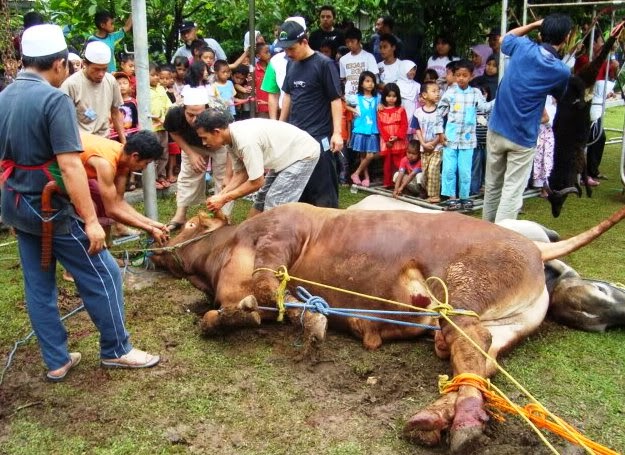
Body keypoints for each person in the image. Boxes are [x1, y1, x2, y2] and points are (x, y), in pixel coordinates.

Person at [0, 24, 159, 380]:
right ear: (59, 64)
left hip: (14, 201)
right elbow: (70, 165)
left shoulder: (5, 96)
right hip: (47, 207)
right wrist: (90, 221)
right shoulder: (53, 99)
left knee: (39, 285)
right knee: (106, 272)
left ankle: (56, 360)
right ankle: (117, 349)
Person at [482, 15, 572, 223]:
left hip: (497, 128)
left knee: (493, 184)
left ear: (540, 33)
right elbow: (560, 95)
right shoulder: (561, 71)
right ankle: (501, 242)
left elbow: (505, 39)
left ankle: (484, 234)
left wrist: (532, 24)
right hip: (523, 137)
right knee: (512, 191)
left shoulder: (522, 47)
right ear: (566, 38)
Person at [195, 110, 320, 214]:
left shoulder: (245, 141)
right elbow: (241, 173)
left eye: (204, 138)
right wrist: (221, 195)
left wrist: (224, 198)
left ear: (217, 132)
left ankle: (275, 242)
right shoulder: (229, 140)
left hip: (303, 154)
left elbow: (257, 182)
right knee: (261, 199)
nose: (204, 143)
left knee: (275, 203)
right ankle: (248, 239)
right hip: (284, 157)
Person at [277, 16, 343, 208]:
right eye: (285, 49)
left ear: (304, 42)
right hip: (296, 136)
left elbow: (335, 99)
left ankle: (330, 232)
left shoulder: (324, 64)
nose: (288, 53)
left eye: (291, 48)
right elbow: (288, 95)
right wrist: (280, 126)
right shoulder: (291, 64)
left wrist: (337, 133)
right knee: (299, 190)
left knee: (323, 193)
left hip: (319, 137)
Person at [79, 132, 170, 243]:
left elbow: (119, 202)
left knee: (103, 198)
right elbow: (112, 210)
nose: (145, 168)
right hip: (59, 167)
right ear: (135, 156)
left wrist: (153, 224)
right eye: (146, 163)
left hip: (82, 171)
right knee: (95, 205)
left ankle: (106, 249)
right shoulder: (106, 164)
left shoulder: (124, 160)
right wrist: (149, 229)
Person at [163, 87, 232, 230]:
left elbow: (231, 140)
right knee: (188, 176)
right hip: (192, 145)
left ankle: (223, 218)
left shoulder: (219, 112)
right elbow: (173, 132)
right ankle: (180, 216)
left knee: (223, 179)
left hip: (220, 146)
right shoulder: (174, 113)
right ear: (184, 109)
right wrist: (190, 153)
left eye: (199, 115)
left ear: (207, 109)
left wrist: (228, 173)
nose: (194, 120)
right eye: (190, 115)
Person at [436, 60, 492, 210]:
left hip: (468, 140)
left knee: (465, 170)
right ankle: (451, 197)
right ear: (454, 76)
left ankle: (464, 197)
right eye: (458, 75)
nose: (461, 78)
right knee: (449, 169)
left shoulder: (475, 93)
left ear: (471, 76)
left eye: (464, 75)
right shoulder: (450, 93)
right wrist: (440, 132)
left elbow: (484, 107)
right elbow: (439, 114)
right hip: (450, 139)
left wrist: (498, 101)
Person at [61, 41, 126, 143]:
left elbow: (115, 113)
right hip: (82, 144)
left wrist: (124, 142)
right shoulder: (71, 85)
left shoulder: (111, 81)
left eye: (104, 69)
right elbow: (63, 122)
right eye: (96, 69)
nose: (101, 74)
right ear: (85, 64)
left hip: (105, 141)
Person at [346, 71, 379, 187]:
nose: (371, 84)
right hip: (360, 129)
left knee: (370, 155)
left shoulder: (377, 98)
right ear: (361, 83)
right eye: (367, 81)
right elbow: (343, 103)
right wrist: (354, 110)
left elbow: (381, 108)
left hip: (372, 129)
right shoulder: (356, 98)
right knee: (363, 156)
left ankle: (356, 173)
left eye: (373, 81)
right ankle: (366, 177)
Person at [412, 81, 442, 203]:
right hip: (424, 147)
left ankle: (435, 195)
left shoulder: (440, 111)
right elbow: (417, 128)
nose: (437, 94)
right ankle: (426, 191)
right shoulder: (418, 112)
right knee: (425, 172)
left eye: (438, 91)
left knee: (434, 169)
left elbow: (442, 130)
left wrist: (434, 143)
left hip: (437, 146)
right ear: (424, 95)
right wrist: (423, 143)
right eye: (434, 91)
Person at [377, 82, 408, 188]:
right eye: (389, 96)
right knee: (387, 163)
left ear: (398, 97)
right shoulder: (380, 110)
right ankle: (387, 182)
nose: (391, 98)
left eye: (394, 96)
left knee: (400, 162)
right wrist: (387, 139)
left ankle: (402, 183)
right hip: (386, 141)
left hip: (398, 141)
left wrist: (397, 137)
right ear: (384, 96)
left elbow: (404, 125)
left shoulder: (401, 110)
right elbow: (380, 126)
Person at [148, 63, 173, 190]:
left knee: (164, 151)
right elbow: (144, 109)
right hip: (151, 127)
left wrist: (166, 118)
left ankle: (161, 176)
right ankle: (151, 179)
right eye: (153, 75)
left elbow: (168, 105)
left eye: (157, 75)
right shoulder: (143, 89)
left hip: (163, 127)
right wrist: (158, 118)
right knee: (152, 153)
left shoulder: (161, 88)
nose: (156, 78)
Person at [339, 27, 379, 97]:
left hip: (365, 97)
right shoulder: (343, 59)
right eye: (347, 42)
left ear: (359, 41)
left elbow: (374, 78)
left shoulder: (369, 57)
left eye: (352, 41)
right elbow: (343, 79)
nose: (350, 44)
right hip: (349, 97)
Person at [396, 60, 420, 126]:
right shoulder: (397, 85)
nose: (413, 72)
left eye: (414, 70)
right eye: (410, 70)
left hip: (413, 113)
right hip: (400, 112)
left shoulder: (417, 85)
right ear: (403, 70)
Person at [254, 43, 271, 118]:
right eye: (266, 52)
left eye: (269, 52)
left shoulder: (273, 68)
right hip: (261, 107)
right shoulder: (254, 70)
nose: (269, 54)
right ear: (258, 56)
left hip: (274, 105)